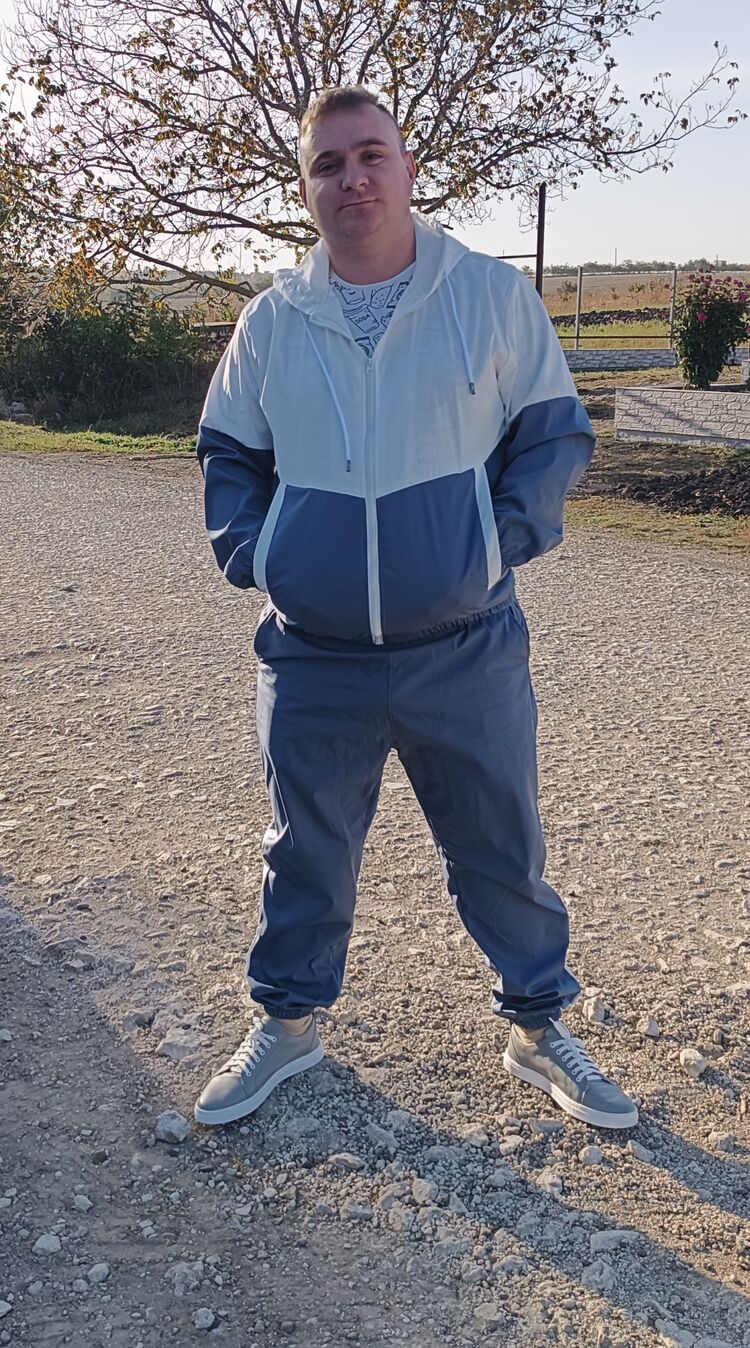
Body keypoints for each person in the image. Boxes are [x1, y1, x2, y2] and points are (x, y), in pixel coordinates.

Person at [194, 86, 638, 1132]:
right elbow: (227, 454)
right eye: (327, 164)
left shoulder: (487, 295)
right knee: (303, 849)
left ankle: (538, 1023)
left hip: (466, 645)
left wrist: (491, 545)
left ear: (406, 167)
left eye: (370, 155)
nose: (351, 178)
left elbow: (553, 436)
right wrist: (262, 556)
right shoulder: (272, 321)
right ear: (307, 188)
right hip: (313, 654)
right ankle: (287, 1025)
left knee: (501, 844)